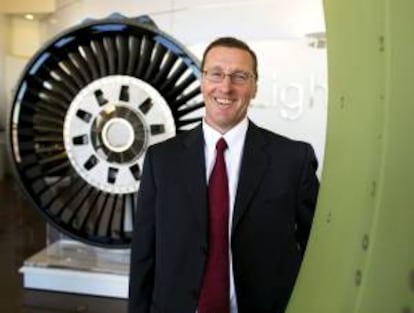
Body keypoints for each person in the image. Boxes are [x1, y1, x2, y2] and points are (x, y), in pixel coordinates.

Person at [128, 36, 319, 313]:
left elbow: (316, 249)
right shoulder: (162, 160)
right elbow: (144, 253)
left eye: (240, 76)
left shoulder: (292, 159)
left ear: (254, 87)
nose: (226, 87)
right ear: (202, 81)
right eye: (216, 74)